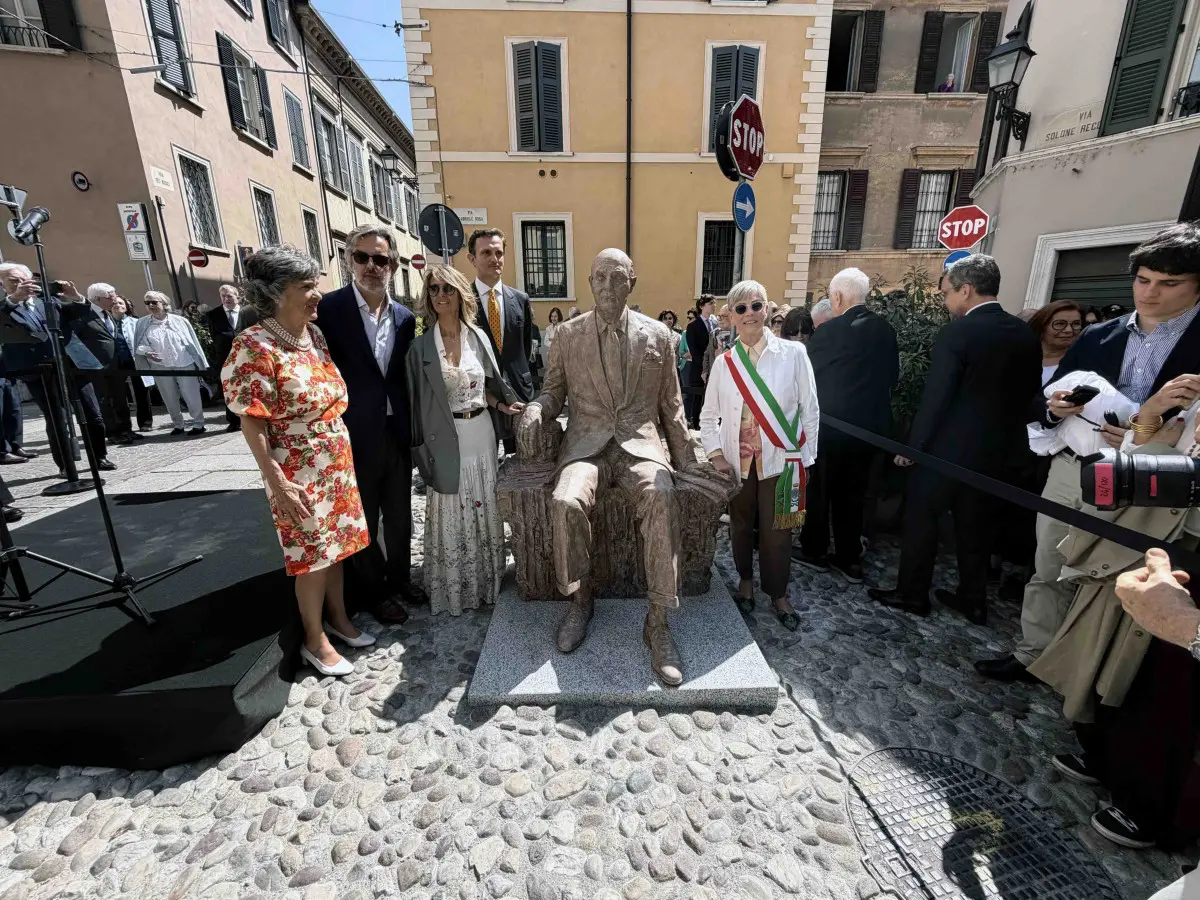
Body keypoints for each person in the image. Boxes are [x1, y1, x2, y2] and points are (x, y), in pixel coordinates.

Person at [980, 223, 1200, 681]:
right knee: (1048, 565)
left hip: (1152, 488)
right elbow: (1051, 397)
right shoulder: (1100, 336)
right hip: (1074, 467)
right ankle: (1033, 655)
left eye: (1168, 283)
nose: (1151, 293)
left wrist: (1146, 431)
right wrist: (1056, 409)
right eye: (1143, 280)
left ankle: (1087, 678)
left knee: (1114, 582)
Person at [517, 249, 702, 686]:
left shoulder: (659, 336)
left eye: (617, 278)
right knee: (565, 500)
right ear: (589, 281)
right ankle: (580, 599)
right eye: (600, 277)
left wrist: (687, 459)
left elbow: (672, 405)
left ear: (632, 283)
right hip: (587, 444)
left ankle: (657, 621)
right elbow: (554, 392)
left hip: (639, 445)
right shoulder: (566, 335)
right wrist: (536, 410)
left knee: (660, 495)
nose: (608, 286)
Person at [223, 245, 371, 677]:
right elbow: (252, 423)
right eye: (306, 287)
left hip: (334, 462)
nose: (316, 295)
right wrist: (278, 481)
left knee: (338, 547)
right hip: (296, 467)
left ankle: (339, 619)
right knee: (312, 556)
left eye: (315, 285)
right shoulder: (254, 346)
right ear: (275, 292)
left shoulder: (313, 335)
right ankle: (313, 638)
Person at [868, 255, 1041, 622]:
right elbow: (1029, 396)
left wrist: (913, 448)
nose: (945, 300)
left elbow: (937, 397)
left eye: (947, 292)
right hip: (997, 454)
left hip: (946, 453)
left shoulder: (958, 332)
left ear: (966, 290)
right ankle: (973, 598)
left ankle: (912, 593)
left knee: (921, 519)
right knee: (976, 528)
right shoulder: (1024, 333)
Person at [316, 225, 423, 622]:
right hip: (352, 433)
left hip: (395, 432)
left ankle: (399, 578)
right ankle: (374, 591)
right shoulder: (329, 311)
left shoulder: (405, 318)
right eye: (362, 257)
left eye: (380, 259)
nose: (371, 266)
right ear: (348, 260)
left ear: (393, 265)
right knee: (364, 516)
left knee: (400, 515)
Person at [701, 280, 819, 631]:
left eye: (756, 306)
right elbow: (708, 416)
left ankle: (778, 593)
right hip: (737, 464)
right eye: (741, 309)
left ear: (767, 309)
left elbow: (809, 409)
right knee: (740, 527)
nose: (749, 314)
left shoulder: (793, 354)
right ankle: (745, 581)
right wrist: (715, 455)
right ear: (732, 318)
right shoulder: (725, 363)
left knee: (778, 530)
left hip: (781, 461)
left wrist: (807, 460)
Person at [408, 265, 523, 615]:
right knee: (451, 509)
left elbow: (485, 388)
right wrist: (421, 455)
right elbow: (415, 406)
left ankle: (487, 580)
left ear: (460, 293)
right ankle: (457, 588)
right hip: (445, 437)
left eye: (448, 288)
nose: (440, 295)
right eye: (434, 289)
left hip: (482, 432)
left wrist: (504, 404)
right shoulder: (420, 348)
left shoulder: (478, 337)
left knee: (483, 504)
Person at [797, 267, 898, 583]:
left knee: (820, 493)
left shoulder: (829, 332)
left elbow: (809, 380)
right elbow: (893, 378)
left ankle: (814, 551)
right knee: (853, 496)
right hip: (868, 432)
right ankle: (848, 558)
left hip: (831, 429)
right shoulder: (886, 330)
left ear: (837, 297)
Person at [0, 263, 74, 474]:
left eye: (25, 280)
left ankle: (89, 459)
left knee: (76, 413)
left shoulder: (45, 302)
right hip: (33, 371)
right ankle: (66, 466)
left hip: (62, 365)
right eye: (14, 281)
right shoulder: (6, 305)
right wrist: (14, 299)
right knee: (55, 415)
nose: (21, 285)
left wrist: (75, 297)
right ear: (2, 284)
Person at [468, 229, 534, 452]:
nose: (494, 259)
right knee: (486, 465)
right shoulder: (463, 301)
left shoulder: (520, 299)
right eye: (485, 252)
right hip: (482, 398)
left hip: (518, 393)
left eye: (498, 253)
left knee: (522, 464)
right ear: (472, 259)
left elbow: (523, 348)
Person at [133, 291, 208, 436]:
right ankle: (178, 424)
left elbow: (192, 341)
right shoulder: (142, 323)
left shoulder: (179, 320)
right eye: (147, 303)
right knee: (168, 396)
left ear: (164, 303)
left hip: (184, 362)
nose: (150, 305)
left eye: (154, 302)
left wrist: (200, 362)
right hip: (160, 366)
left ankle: (198, 424)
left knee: (191, 394)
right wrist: (147, 352)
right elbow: (139, 344)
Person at [207, 284, 259, 432]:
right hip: (225, 357)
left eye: (229, 295)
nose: (226, 299)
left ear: (237, 297)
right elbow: (213, 336)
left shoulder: (249, 313)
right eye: (223, 296)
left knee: (249, 387)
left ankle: (253, 416)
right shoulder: (213, 314)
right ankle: (233, 420)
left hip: (247, 356)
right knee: (229, 389)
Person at [110, 296, 154, 433]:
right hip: (116, 362)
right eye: (114, 303)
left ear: (126, 306)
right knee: (118, 394)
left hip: (135, 360)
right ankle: (124, 425)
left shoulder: (136, 322)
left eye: (120, 303)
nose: (117, 305)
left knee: (141, 391)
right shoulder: (106, 322)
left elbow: (145, 341)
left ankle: (145, 422)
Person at [684, 295, 716, 428]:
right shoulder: (693, 326)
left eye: (714, 303)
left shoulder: (716, 323)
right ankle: (695, 422)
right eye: (710, 303)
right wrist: (704, 368)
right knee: (697, 397)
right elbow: (694, 351)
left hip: (714, 365)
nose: (714, 305)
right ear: (702, 306)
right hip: (698, 368)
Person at [702, 304, 733, 383]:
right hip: (714, 375)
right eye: (718, 316)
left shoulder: (740, 334)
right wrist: (705, 371)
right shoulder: (714, 333)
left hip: (731, 376)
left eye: (722, 316)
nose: (719, 319)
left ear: (732, 317)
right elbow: (707, 353)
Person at [543, 306, 564, 371]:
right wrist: (555, 341)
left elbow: (562, 341)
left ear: (559, 317)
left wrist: (552, 340)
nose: (553, 318)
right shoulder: (548, 328)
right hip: (551, 354)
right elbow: (545, 342)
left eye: (555, 316)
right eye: (552, 316)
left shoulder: (562, 327)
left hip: (560, 354)